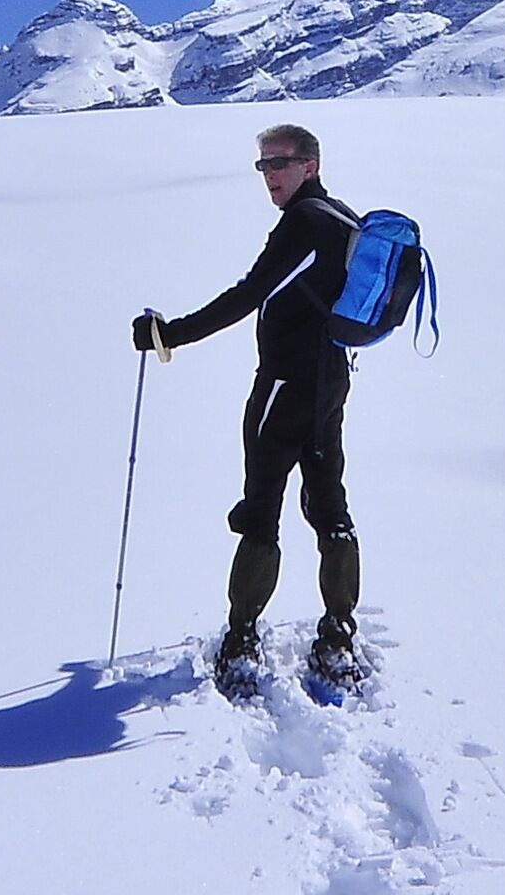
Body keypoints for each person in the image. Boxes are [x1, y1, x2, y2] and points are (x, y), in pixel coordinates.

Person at [132, 122, 368, 697]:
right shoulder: (344, 219)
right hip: (330, 383)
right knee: (329, 503)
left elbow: (248, 294)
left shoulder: (303, 224)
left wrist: (170, 334)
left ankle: (241, 641)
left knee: (261, 506)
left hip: (284, 386)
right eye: (263, 166)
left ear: (310, 164)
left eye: (280, 163)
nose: (270, 176)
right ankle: (338, 636)